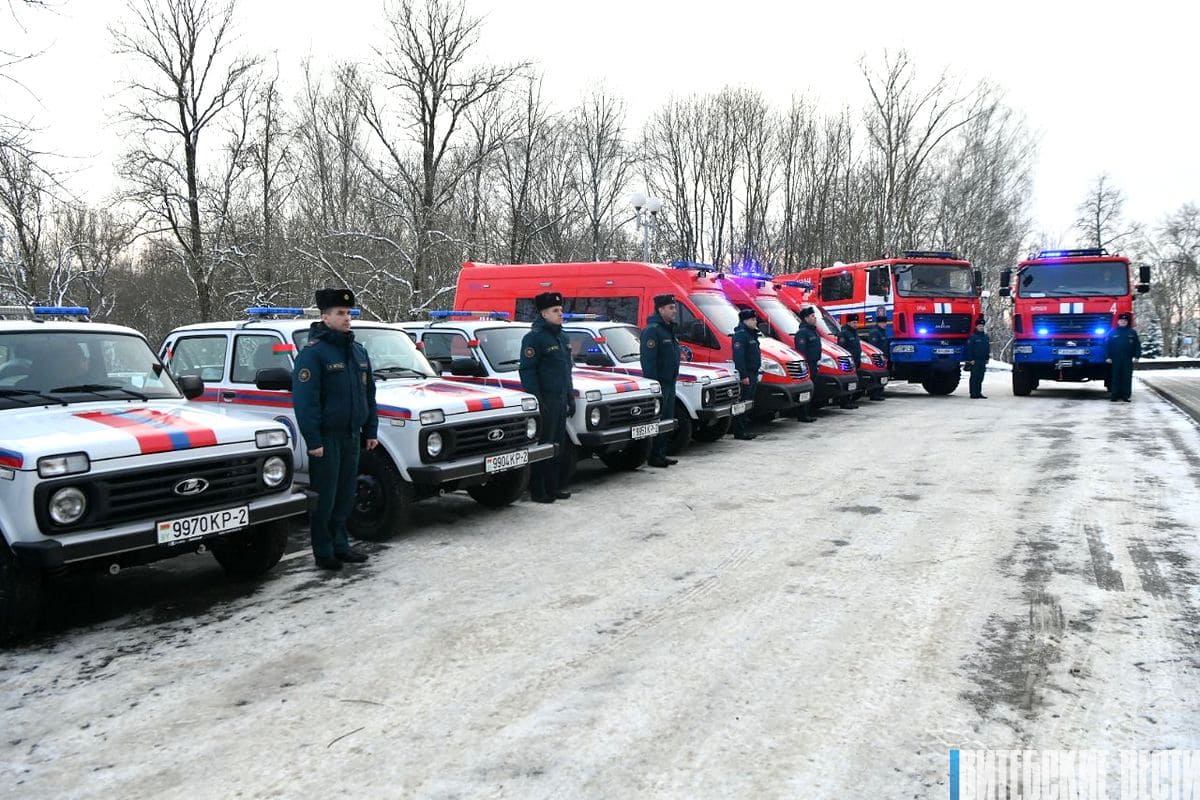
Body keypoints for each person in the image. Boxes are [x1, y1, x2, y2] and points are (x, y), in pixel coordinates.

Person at [293, 288, 378, 571]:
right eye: (340, 313)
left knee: (344, 495)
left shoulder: (357, 351)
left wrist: (371, 430)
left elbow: (369, 395)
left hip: (352, 435)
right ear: (325, 316)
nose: (347, 318)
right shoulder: (313, 354)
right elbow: (306, 402)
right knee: (326, 497)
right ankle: (324, 550)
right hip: (327, 439)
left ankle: (341, 545)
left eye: (349, 313)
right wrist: (313, 439)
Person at [520, 292, 575, 502]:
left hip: (561, 397)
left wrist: (570, 396)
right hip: (547, 398)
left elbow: (566, 370)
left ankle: (554, 487)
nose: (561, 314)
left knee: (558, 446)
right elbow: (527, 371)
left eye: (561, 310)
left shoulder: (562, 337)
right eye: (555, 311)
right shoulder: (534, 338)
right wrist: (537, 400)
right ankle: (538, 490)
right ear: (544, 313)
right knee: (544, 446)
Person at [640, 293, 681, 468]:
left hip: (670, 381)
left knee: (666, 419)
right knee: (658, 420)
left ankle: (660, 453)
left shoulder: (668, 329)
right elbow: (648, 360)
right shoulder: (652, 330)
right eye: (671, 308)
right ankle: (653, 455)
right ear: (661, 309)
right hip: (660, 383)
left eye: (674, 307)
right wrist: (653, 386)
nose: (674, 311)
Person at [731, 309, 762, 440]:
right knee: (743, 402)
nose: (755, 322)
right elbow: (739, 358)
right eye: (752, 319)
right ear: (745, 321)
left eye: (755, 319)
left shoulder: (751, 334)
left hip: (753, 372)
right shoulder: (741, 335)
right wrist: (744, 375)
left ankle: (745, 428)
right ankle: (739, 430)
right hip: (747, 373)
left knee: (749, 402)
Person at [794, 306, 825, 419]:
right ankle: (803, 414)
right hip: (807, 365)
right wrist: (806, 366)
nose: (815, 318)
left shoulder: (813, 331)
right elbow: (801, 352)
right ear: (806, 318)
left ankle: (809, 411)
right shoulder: (802, 333)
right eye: (812, 316)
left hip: (814, 364)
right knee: (806, 390)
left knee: (812, 389)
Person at [1106, 312, 1142, 402]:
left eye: (1125, 321)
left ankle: (1126, 396)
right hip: (1115, 359)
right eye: (1121, 321)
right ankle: (1114, 395)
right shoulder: (1112, 332)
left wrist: (1137, 356)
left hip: (1127, 359)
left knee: (1127, 377)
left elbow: (1137, 345)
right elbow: (1107, 346)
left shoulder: (1132, 332)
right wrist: (1108, 357)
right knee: (1115, 377)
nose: (1123, 322)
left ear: (1127, 322)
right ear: (1118, 322)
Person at [836, 313, 864, 409]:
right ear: (848, 322)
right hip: (847, 363)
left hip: (855, 361)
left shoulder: (854, 333)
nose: (856, 324)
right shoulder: (844, 334)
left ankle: (850, 400)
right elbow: (842, 349)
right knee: (847, 382)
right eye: (854, 322)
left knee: (853, 383)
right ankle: (844, 402)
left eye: (857, 322)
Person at [964, 318, 991, 399]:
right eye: (979, 326)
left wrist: (987, 358)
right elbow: (969, 349)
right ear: (976, 327)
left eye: (982, 326)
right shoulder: (973, 337)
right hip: (975, 360)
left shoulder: (985, 337)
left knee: (980, 377)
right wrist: (970, 359)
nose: (981, 327)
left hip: (983, 360)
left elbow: (987, 348)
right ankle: (973, 393)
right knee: (974, 377)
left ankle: (978, 392)